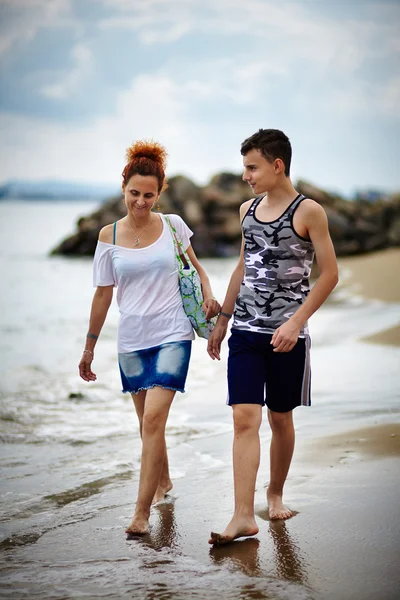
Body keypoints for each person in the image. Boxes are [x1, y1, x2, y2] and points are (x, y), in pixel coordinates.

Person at [78, 140, 220, 535]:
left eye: (149, 195)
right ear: (123, 187)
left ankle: (141, 514)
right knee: (148, 426)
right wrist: (89, 347)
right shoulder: (108, 236)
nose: (141, 202)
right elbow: (103, 294)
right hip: (131, 342)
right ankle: (165, 481)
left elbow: (198, 271)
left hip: (173, 334)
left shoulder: (173, 225)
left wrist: (209, 296)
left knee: (154, 420)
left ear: (160, 193)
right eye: (134, 194)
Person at [207, 129, 338, 545]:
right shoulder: (247, 210)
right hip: (245, 332)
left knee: (280, 418)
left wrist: (296, 322)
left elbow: (330, 275)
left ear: (277, 165)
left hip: (287, 337)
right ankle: (243, 515)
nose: (245, 175)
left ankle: (275, 492)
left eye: (252, 167)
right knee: (244, 419)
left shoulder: (309, 211)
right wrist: (224, 319)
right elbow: (244, 267)